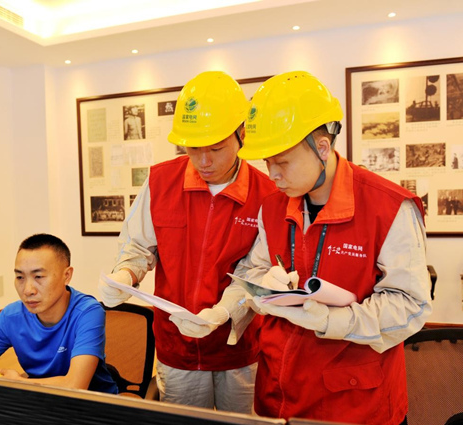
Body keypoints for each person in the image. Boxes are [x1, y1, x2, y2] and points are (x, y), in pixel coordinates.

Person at [177, 71, 432, 425]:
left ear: (322, 148)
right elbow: (253, 270)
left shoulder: (388, 207)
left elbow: (411, 305)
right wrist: (226, 308)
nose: (273, 174)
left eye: (282, 162)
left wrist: (331, 320)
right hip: (278, 394)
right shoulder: (273, 206)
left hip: (353, 404)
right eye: (267, 162)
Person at [98, 71, 277, 413]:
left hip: (237, 348)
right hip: (176, 345)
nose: (204, 161)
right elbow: (138, 246)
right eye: (193, 148)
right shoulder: (161, 181)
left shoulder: (266, 194)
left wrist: (223, 312)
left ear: (242, 134)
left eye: (216, 148)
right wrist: (124, 275)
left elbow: (257, 272)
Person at [0, 233, 118, 394]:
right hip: (40, 401)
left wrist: (20, 383)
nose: (28, 290)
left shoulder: (88, 312)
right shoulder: (11, 317)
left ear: (66, 275)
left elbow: (75, 385)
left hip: (95, 405)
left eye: (38, 276)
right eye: (20, 277)